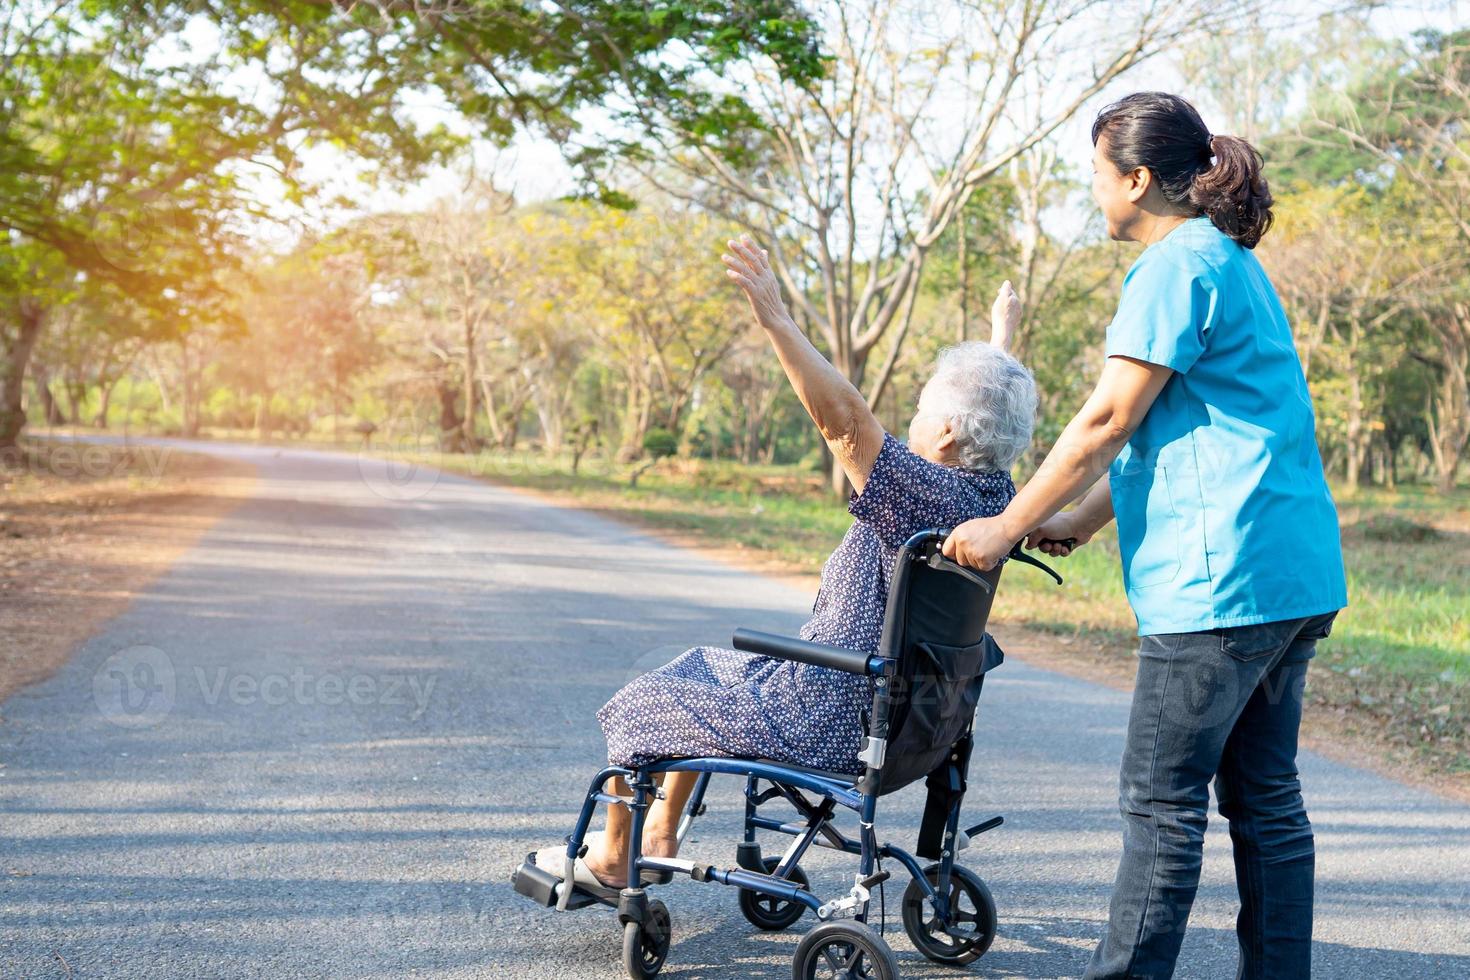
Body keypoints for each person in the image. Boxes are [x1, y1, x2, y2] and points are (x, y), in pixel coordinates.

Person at [941, 92, 1348, 979]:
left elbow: (1107, 420)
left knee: (1162, 806)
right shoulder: (1231, 262)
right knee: (1266, 801)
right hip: (1291, 576)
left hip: (1221, 591)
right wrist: (1078, 523)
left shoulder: (1172, 269)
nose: (1092, 192)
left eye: (1096, 175)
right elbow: (1197, 425)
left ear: (1135, 179)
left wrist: (1003, 528)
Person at [534, 237, 1038, 890]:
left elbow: (844, 421)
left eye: (920, 409)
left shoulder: (921, 490)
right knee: (696, 669)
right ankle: (659, 834)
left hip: (824, 712)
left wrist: (777, 318)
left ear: (944, 433)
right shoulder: (995, 494)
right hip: (910, 722)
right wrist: (1003, 337)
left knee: (640, 704)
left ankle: (609, 859)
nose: (909, 418)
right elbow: (989, 407)